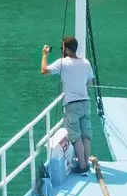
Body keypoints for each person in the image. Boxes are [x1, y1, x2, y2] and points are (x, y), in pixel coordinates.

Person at [40, 37, 95, 173]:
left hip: (72, 105)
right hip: (85, 103)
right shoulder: (86, 63)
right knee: (86, 135)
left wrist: (45, 55)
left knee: (76, 137)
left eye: (62, 48)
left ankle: (82, 167)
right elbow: (90, 84)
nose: (62, 50)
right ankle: (86, 163)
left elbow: (44, 71)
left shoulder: (62, 63)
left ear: (67, 49)